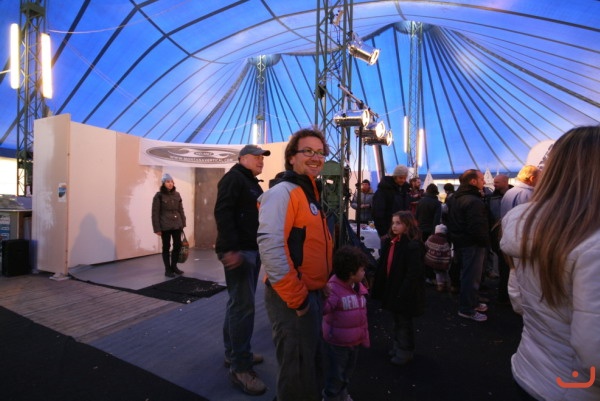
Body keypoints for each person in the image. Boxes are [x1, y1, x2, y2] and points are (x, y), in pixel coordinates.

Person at [500, 126, 600, 401]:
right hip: (577, 389)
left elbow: (519, 301)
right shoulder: (592, 242)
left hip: (531, 368)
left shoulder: (525, 225)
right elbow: (595, 354)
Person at [257, 127, 333, 401]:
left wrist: (320, 283)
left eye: (320, 152)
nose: (316, 157)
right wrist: (298, 299)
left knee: (308, 362)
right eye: (308, 151)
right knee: (297, 369)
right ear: (291, 157)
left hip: (310, 292)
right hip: (291, 297)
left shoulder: (308, 193)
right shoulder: (283, 193)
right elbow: (271, 247)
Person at [214, 144, 271, 395]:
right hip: (240, 251)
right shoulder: (234, 179)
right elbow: (222, 212)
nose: (261, 161)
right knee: (243, 307)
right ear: (242, 158)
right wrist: (229, 248)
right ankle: (240, 368)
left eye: (262, 158)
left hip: (249, 249)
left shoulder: (250, 182)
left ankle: (235, 353)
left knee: (237, 304)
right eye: (256, 157)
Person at [372, 211, 425, 365]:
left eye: (399, 223)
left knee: (403, 321)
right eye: (393, 223)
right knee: (397, 320)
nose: (394, 226)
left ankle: (405, 351)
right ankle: (398, 346)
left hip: (404, 290)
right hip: (395, 288)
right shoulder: (393, 242)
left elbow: (413, 273)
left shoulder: (411, 246)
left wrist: (403, 291)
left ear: (408, 225)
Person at [322, 245, 370, 401]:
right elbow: (325, 309)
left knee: (347, 373)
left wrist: (364, 336)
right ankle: (331, 397)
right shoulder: (333, 289)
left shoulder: (358, 287)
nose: (364, 272)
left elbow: (361, 315)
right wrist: (323, 295)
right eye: (362, 270)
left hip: (354, 341)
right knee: (335, 375)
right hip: (337, 344)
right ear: (351, 273)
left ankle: (342, 395)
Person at [446, 169, 490, 322]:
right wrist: (485, 242)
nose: (484, 182)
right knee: (471, 276)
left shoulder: (455, 198)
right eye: (482, 179)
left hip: (461, 241)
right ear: (473, 181)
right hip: (472, 243)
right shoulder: (473, 201)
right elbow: (477, 227)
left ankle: (472, 302)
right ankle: (467, 309)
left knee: (468, 275)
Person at [151, 173, 186, 277]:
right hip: (165, 225)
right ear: (163, 183)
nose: (170, 184)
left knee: (177, 245)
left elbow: (180, 209)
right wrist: (157, 228)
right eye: (167, 182)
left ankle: (174, 266)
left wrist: (183, 222)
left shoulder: (177, 194)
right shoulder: (159, 196)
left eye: (171, 182)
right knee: (166, 247)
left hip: (177, 224)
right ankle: (167, 269)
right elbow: (155, 213)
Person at [485, 174, 512, 303]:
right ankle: (504, 294)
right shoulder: (491, 198)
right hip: (498, 236)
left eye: (497, 182)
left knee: (507, 267)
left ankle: (506, 294)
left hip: (508, 234)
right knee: (504, 266)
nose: (494, 184)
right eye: (494, 182)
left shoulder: (512, 195)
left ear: (505, 182)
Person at [372, 165, 410, 237]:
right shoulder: (383, 191)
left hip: (402, 230)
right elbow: (377, 212)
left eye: (405, 178)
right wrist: (383, 232)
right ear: (395, 177)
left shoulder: (405, 190)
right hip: (388, 230)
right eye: (400, 178)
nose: (403, 180)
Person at [424, 224, 452, 292]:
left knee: (438, 273)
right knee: (444, 272)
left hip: (432, 260)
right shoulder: (444, 242)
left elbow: (426, 245)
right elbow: (447, 252)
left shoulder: (430, 238)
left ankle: (440, 285)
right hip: (441, 261)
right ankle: (445, 284)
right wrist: (448, 261)